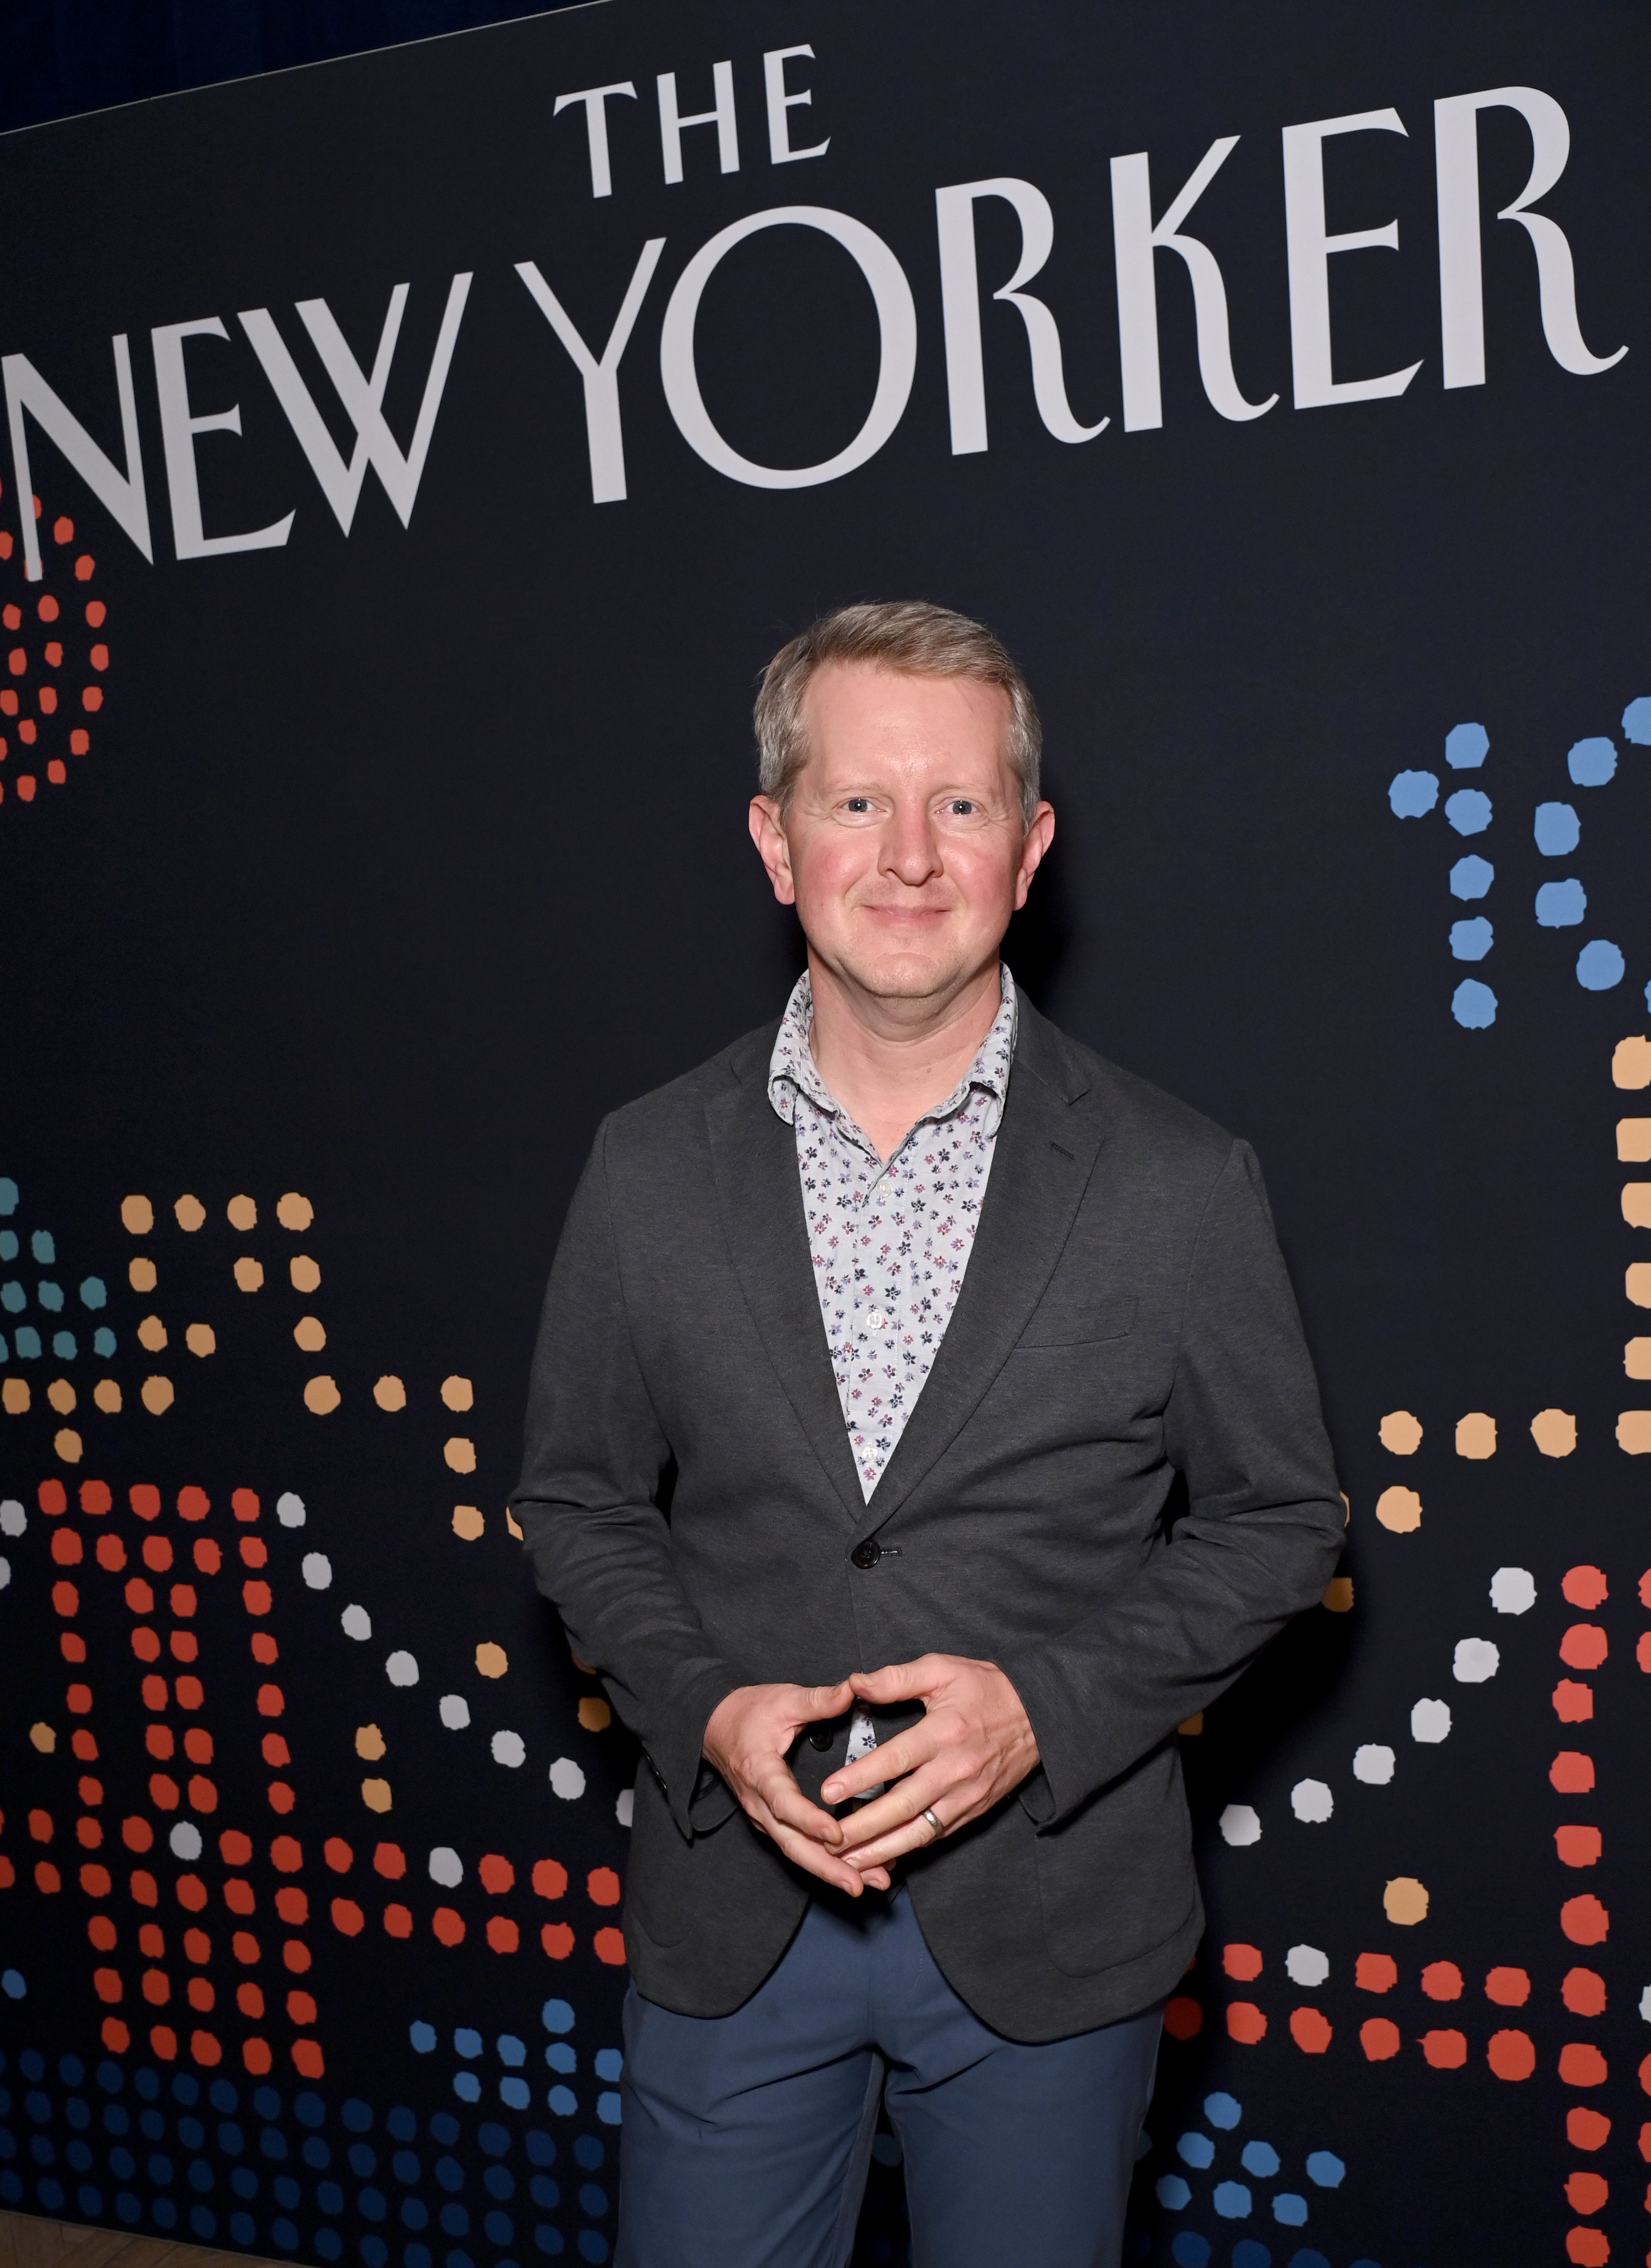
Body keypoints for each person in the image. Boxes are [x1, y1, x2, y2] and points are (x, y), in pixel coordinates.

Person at [512, 600, 1344, 2268]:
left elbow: (1282, 1519)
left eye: (960, 804)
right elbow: (579, 1500)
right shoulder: (645, 1167)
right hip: (734, 1914)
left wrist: (1042, 1712)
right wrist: (706, 1708)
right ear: (776, 842)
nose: (909, 855)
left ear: (1029, 850)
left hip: (1054, 1925)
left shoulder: (1181, 1182)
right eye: (857, 802)